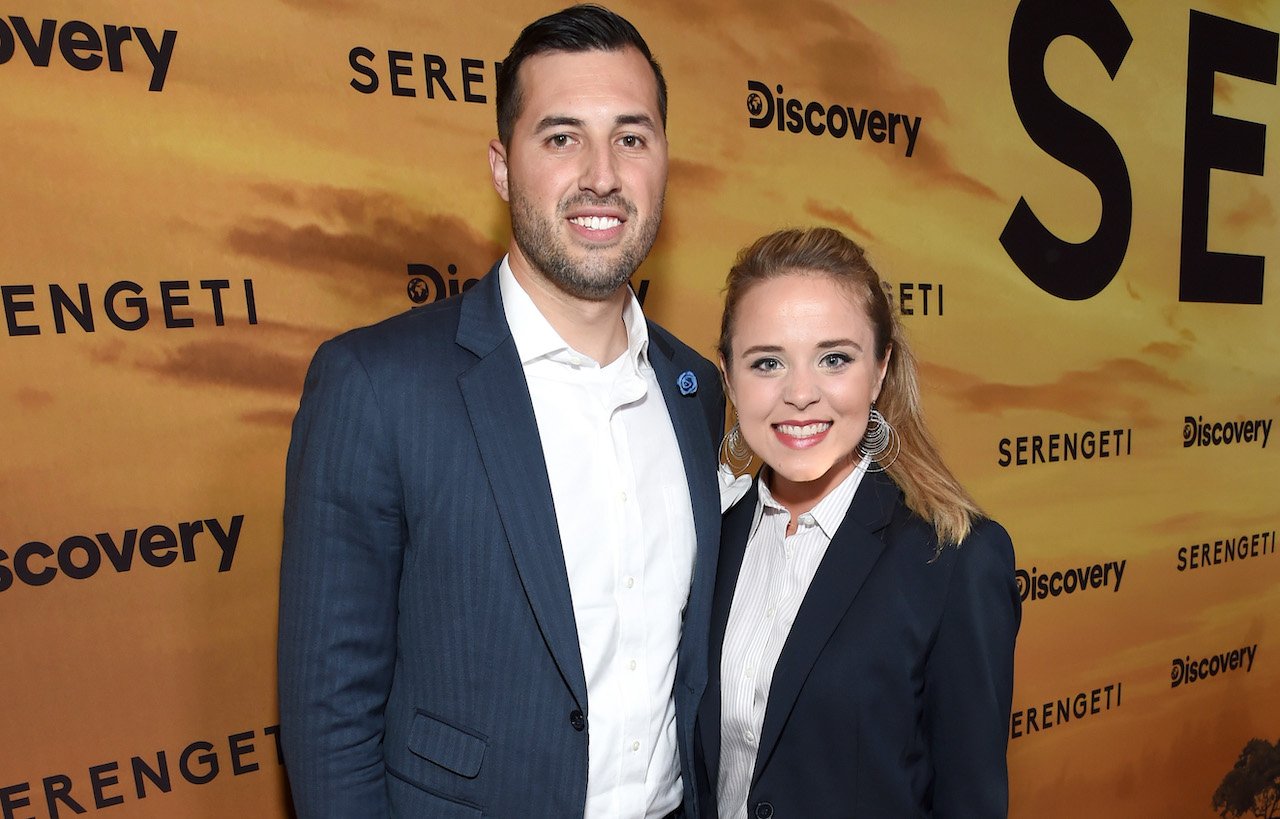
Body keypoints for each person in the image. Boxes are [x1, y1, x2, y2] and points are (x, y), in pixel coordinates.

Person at [277, 6, 723, 817]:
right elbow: (329, 715)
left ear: (664, 161)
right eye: (561, 137)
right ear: (501, 165)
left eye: (632, 136)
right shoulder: (377, 386)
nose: (601, 174)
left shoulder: (697, 389)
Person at [696, 227, 1020, 818]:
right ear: (728, 375)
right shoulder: (706, 535)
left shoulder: (955, 560)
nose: (800, 394)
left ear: (879, 369)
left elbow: (970, 801)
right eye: (767, 362)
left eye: (834, 359)